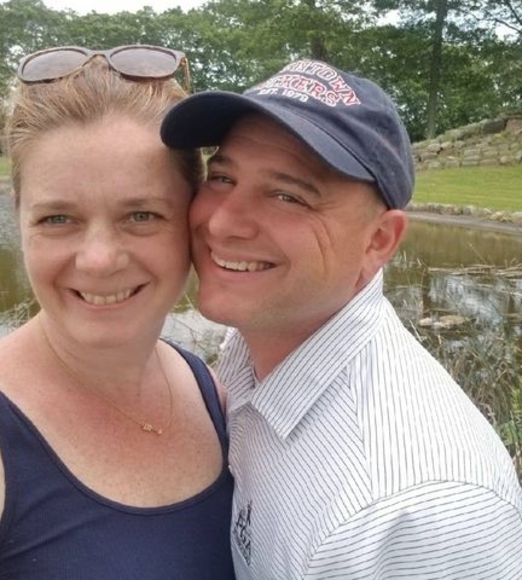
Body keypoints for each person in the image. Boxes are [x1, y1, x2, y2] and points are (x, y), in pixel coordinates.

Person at [160, 59, 522, 579]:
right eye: (222, 177)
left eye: (288, 195)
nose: (220, 222)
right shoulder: (265, 335)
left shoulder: (416, 516)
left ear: (378, 241)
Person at [0, 45, 235, 579]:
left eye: (141, 214)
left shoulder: (209, 390)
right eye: (58, 219)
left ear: (192, 220)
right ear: (19, 220)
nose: (98, 260)